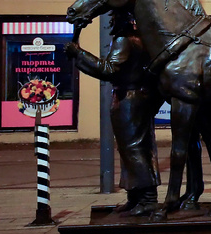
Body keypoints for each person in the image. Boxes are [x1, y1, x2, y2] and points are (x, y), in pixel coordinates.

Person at [66, 11, 162, 214]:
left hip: (128, 98)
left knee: (134, 148)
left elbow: (109, 70)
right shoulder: (142, 39)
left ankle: (147, 200)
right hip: (138, 97)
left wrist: (79, 54)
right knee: (132, 149)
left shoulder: (123, 40)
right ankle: (135, 197)